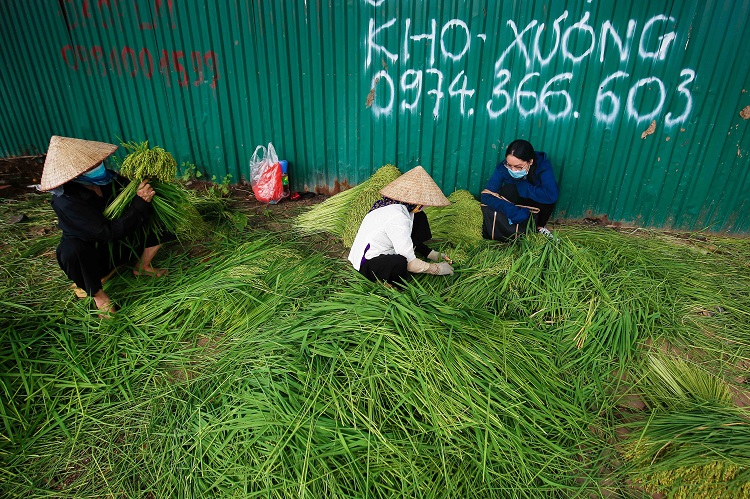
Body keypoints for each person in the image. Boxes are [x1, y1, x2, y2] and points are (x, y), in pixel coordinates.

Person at [39, 135, 169, 316]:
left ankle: (142, 266)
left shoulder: (107, 179)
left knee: (160, 214)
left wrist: (142, 183)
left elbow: (129, 190)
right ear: (75, 175)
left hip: (121, 245)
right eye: (90, 167)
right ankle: (99, 296)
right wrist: (138, 205)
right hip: (95, 256)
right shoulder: (67, 201)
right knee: (71, 250)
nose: (97, 167)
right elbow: (106, 232)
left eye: (96, 163)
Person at [348, 166, 454, 286]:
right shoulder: (398, 217)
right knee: (400, 263)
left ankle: (424, 252)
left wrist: (431, 254)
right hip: (367, 263)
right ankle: (389, 284)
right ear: (418, 204)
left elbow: (407, 237)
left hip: (373, 249)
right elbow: (411, 264)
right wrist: (436, 269)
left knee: (419, 217)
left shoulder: (390, 204)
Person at [480, 139, 559, 239]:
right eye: (509, 165)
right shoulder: (503, 167)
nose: (513, 170)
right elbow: (486, 194)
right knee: (508, 190)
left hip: (536, 201)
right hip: (515, 206)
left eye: (518, 167)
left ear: (530, 161)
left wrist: (522, 186)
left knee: (548, 196)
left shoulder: (543, 165)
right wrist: (512, 211)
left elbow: (551, 195)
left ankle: (539, 228)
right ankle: (511, 229)